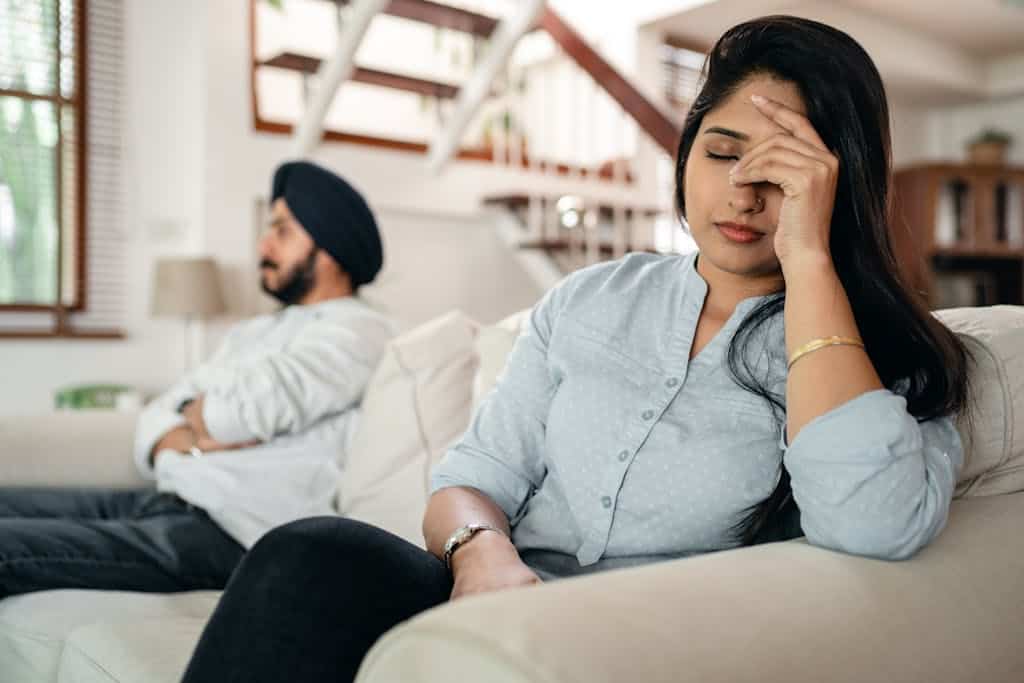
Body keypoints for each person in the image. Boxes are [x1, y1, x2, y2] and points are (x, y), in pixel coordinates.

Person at [181, 16, 972, 682]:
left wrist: (808, 260)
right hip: (490, 593)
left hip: (633, 640)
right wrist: (479, 550)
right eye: (723, 152)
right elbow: (469, 478)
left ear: (838, 183)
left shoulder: (885, 357)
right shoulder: (589, 299)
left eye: (784, 173)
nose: (742, 192)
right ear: (687, 152)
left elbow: (873, 523)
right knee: (308, 554)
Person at [0, 161, 394, 598]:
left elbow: (234, 416)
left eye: (281, 231)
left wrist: (199, 416)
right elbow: (157, 414)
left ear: (331, 248)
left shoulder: (360, 331)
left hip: (227, 534)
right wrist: (193, 435)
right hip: (164, 501)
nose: (262, 245)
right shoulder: (257, 331)